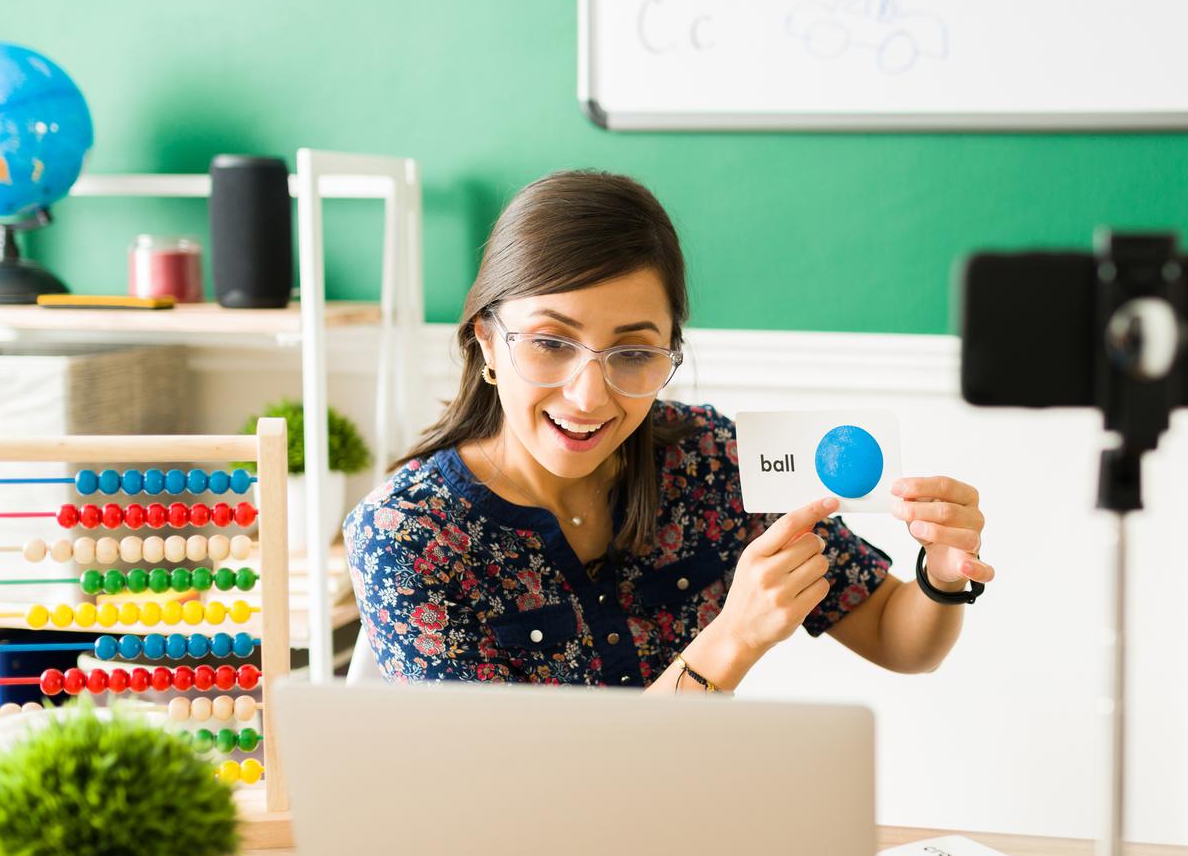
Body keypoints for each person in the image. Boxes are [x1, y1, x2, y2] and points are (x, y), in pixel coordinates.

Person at [343, 170, 991, 693]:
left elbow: (896, 636)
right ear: (487, 341)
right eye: (549, 342)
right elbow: (505, 802)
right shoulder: (406, 536)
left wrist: (941, 572)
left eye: (631, 354)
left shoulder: (713, 461)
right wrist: (732, 639)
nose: (588, 395)